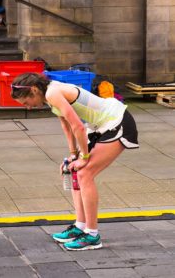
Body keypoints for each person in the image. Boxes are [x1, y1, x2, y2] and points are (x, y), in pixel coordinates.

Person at [11, 72, 139, 251]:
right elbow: (66, 126)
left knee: (85, 172)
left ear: (34, 90)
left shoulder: (52, 93)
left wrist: (84, 157)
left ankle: (92, 235)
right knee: (73, 169)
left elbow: (77, 125)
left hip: (116, 122)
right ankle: (80, 226)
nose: (28, 107)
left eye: (26, 103)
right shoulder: (49, 93)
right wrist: (73, 155)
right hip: (100, 126)